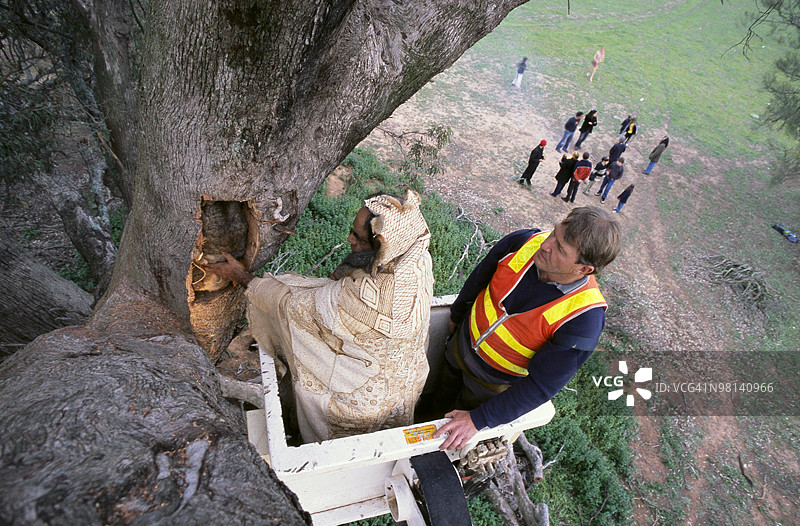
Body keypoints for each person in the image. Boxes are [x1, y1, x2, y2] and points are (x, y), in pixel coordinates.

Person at [205, 190, 434, 443]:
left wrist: (243, 278)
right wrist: (350, 267)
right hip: (406, 386)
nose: (349, 239)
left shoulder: (359, 302)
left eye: (358, 238)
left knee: (347, 456)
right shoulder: (417, 258)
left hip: (358, 404)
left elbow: (291, 306)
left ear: (382, 246)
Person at [428, 206, 621, 450]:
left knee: (452, 430)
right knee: (438, 401)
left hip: (488, 385)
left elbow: (540, 387)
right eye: (554, 234)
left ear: (583, 269)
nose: (546, 245)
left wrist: (477, 420)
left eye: (560, 248)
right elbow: (480, 276)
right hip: (459, 346)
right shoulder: (524, 242)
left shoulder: (584, 319)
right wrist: (457, 315)